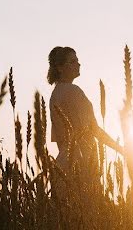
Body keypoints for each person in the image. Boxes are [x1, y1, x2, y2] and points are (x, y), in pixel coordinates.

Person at [47, 46, 123, 188]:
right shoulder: (74, 91)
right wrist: (121, 149)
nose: (78, 64)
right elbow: (93, 129)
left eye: (77, 60)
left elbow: (59, 140)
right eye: (72, 61)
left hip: (62, 166)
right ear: (60, 67)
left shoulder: (54, 95)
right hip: (82, 165)